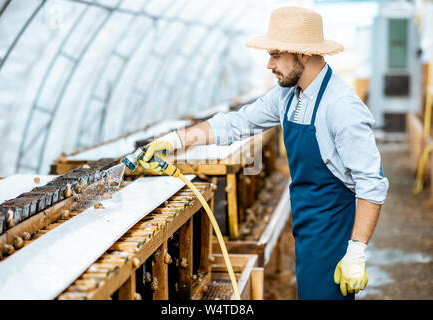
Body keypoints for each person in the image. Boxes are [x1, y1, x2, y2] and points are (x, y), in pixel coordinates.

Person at [139, 6, 389, 300]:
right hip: (307, 223)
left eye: (275, 55)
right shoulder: (288, 94)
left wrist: (356, 252)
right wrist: (177, 140)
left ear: (303, 54)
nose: (269, 65)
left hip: (332, 229)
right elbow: (238, 122)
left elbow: (372, 183)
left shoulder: (341, 107)